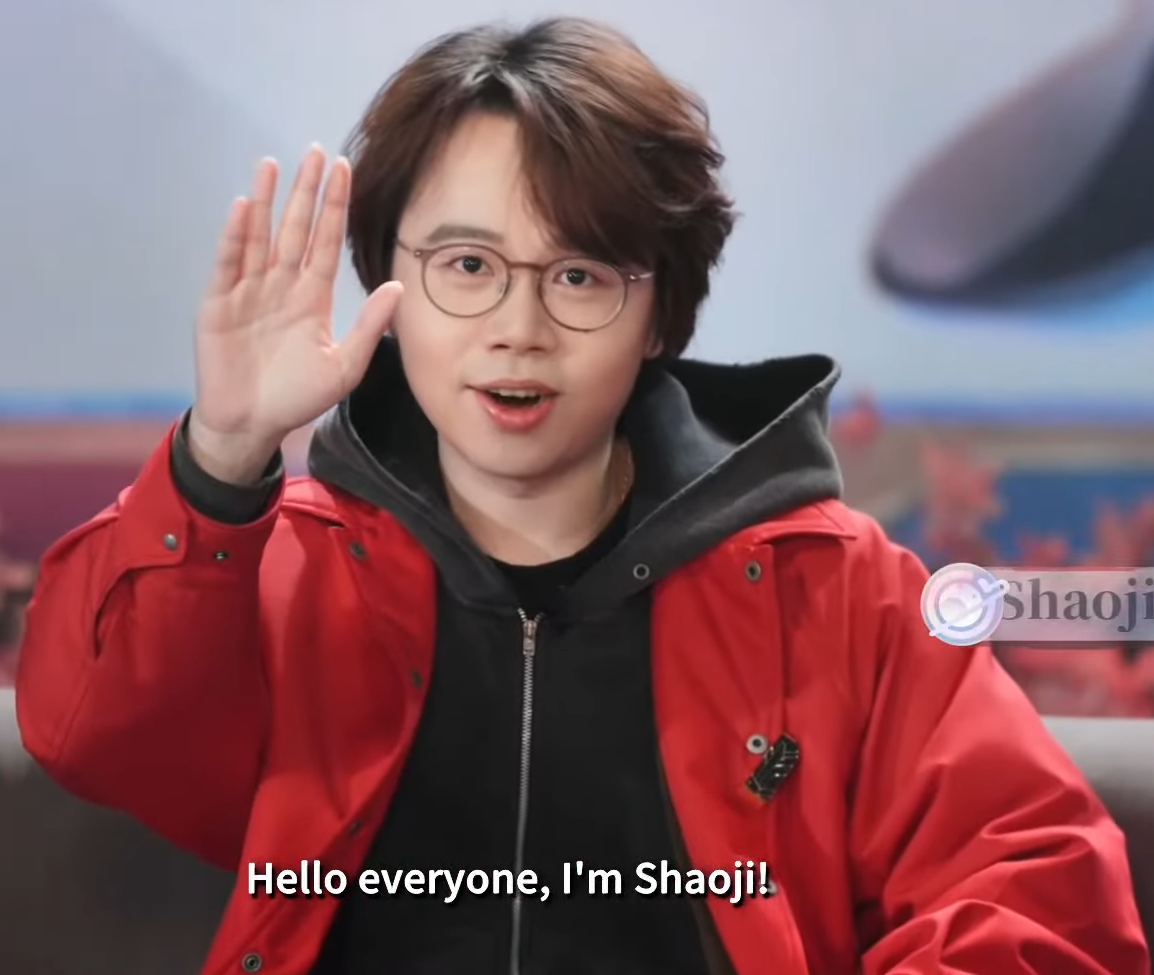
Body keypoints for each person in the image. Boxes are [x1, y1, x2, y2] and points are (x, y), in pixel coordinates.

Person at [14, 16, 1150, 975]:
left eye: (578, 275)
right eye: (467, 266)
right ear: (388, 285)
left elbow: (1039, 890)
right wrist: (220, 456)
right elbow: (88, 734)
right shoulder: (283, 568)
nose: (519, 327)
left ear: (658, 315)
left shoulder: (837, 593)